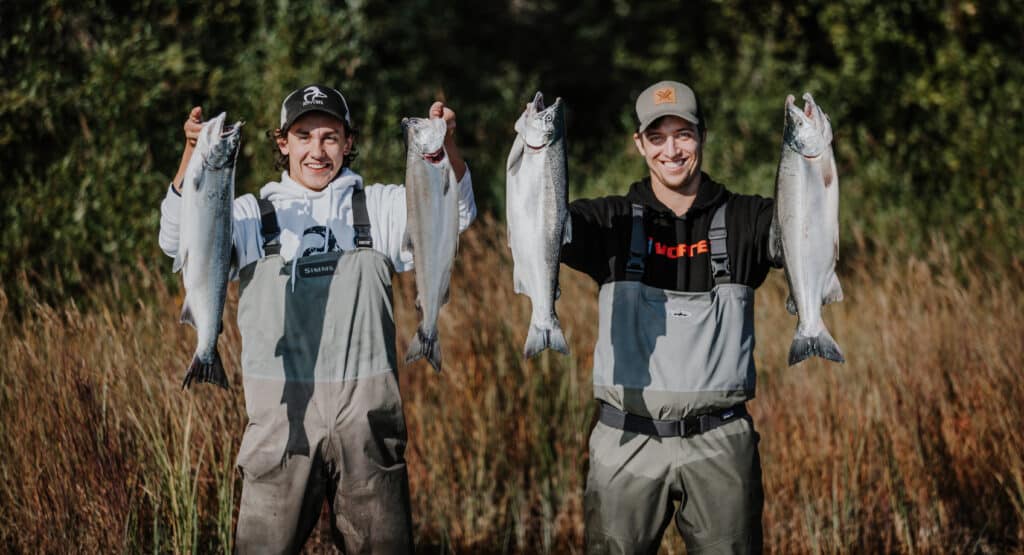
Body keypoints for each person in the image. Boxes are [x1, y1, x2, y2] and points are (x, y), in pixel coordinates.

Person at [159, 84, 477, 553]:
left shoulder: (381, 205)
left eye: (330, 137)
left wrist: (445, 143)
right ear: (282, 142)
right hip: (280, 426)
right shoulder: (249, 213)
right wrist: (192, 153)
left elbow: (460, 214)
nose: (317, 150)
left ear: (348, 143)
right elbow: (174, 239)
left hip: (366, 425)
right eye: (304, 135)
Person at [559, 80, 775, 554]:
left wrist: (818, 166)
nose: (671, 150)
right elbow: (536, 226)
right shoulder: (609, 221)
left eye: (684, 134)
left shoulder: (748, 219)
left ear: (702, 136)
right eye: (657, 137)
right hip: (625, 440)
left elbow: (810, 228)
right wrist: (450, 157)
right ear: (639, 144)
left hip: (721, 440)